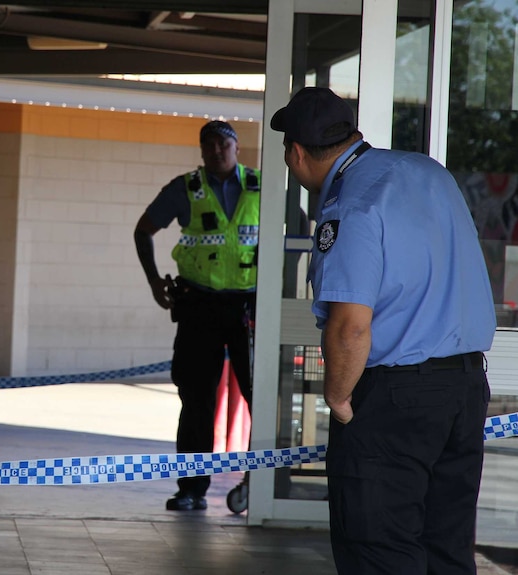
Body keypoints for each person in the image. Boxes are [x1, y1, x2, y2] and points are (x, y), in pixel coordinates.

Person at [271, 86, 495, 574]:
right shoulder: (428, 172)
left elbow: (350, 328)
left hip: (396, 399)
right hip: (465, 390)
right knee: (447, 549)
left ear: (297, 153)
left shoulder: (350, 205)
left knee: (380, 549)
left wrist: (340, 399)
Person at [133, 120, 259, 511]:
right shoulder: (185, 188)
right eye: (210, 145)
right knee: (196, 400)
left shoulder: (262, 186)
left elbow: (303, 228)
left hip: (249, 307)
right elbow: (144, 230)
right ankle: (191, 489)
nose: (217, 150)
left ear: (236, 147)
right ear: (202, 151)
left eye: (224, 143)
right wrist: (155, 282)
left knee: (262, 396)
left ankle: (259, 485)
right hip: (199, 306)